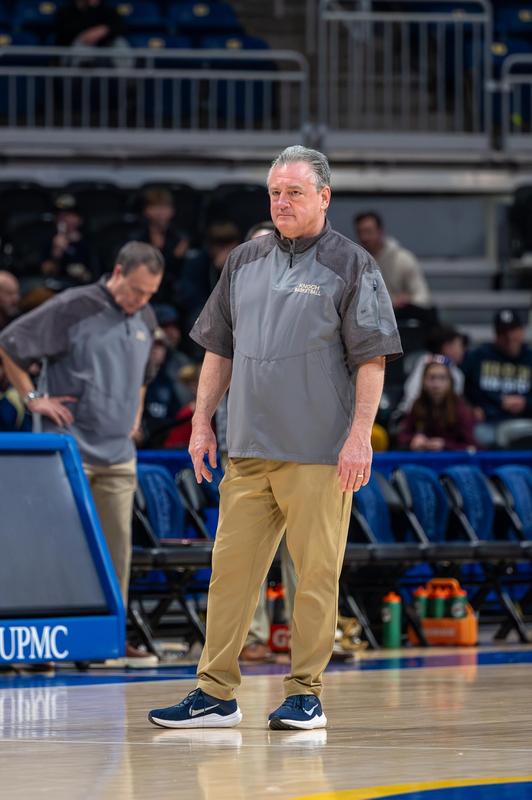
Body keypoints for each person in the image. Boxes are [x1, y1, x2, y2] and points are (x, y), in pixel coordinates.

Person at [148, 145, 402, 731]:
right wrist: (201, 422)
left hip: (319, 452)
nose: (282, 202)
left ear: (324, 197)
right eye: (275, 193)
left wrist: (359, 437)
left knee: (315, 576)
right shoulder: (243, 260)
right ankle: (215, 692)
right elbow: (219, 348)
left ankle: (306, 693)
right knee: (229, 573)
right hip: (248, 449)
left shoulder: (353, 264)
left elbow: (373, 361)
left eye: (294, 192)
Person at [0, 241, 164, 665]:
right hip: (69, 451)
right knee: (54, 546)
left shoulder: (144, 316)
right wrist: (34, 397)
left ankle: (111, 637)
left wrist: (136, 413)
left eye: (150, 294)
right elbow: (10, 344)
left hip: (118, 453)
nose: (141, 301)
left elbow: (144, 374)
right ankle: (44, 642)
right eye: (136, 291)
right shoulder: (75, 305)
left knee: (117, 552)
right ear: (117, 273)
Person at [463, 309, 532, 448]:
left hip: (525, 421)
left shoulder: (530, 358)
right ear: (496, 335)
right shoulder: (478, 357)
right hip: (487, 422)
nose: (509, 337)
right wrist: (470, 409)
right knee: (474, 435)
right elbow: (458, 387)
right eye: (503, 333)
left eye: (513, 331)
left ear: (522, 331)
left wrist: (526, 403)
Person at [354, 211, 431, 310]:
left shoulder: (403, 259)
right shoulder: (355, 262)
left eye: (368, 232)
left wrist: (408, 301)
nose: (364, 237)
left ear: (380, 231)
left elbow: (423, 297)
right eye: (360, 232)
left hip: (401, 317)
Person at [397, 357, 477, 452]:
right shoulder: (418, 404)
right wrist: (413, 440)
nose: (436, 384)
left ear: (450, 382)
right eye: (431, 378)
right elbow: (402, 436)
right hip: (424, 460)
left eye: (442, 378)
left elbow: (473, 446)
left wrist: (445, 445)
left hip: (454, 462)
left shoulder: (461, 408)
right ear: (424, 381)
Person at [397, 324, 467, 416]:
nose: (463, 351)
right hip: (415, 417)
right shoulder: (425, 362)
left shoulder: (457, 374)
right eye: (460, 346)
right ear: (447, 347)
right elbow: (412, 396)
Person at [138, 189, 190, 304]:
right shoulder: (138, 238)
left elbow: (179, 274)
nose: (161, 212)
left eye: (165, 207)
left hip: (171, 296)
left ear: (172, 211)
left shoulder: (180, 238)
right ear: (146, 210)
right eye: (156, 207)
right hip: (143, 294)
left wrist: (177, 258)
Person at [41, 194, 93, 287]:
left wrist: (83, 274)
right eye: (60, 216)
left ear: (79, 219)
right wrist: (56, 253)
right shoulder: (49, 240)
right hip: (55, 286)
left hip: (81, 287)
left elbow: (95, 273)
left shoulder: (89, 242)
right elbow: (46, 272)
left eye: (69, 216)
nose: (63, 220)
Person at [55, 0, 125, 48]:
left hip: (104, 43)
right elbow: (65, 33)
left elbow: (120, 27)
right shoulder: (66, 10)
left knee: (119, 43)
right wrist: (87, 35)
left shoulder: (107, 8)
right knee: (83, 45)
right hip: (74, 48)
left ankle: (126, 69)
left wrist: (104, 30)